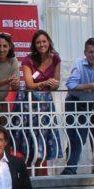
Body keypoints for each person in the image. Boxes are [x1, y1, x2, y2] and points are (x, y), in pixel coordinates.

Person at [64, 38, 94, 175]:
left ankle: (70, 166)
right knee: (74, 135)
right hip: (73, 102)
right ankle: (71, 167)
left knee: (81, 137)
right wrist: (88, 86)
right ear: (85, 52)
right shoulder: (79, 64)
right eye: (90, 52)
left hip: (88, 104)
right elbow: (71, 85)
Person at [17, 30, 62, 174]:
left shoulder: (55, 58)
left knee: (43, 135)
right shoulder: (28, 60)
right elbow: (29, 85)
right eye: (38, 42)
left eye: (44, 41)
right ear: (34, 45)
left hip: (45, 102)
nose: (42, 45)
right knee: (28, 137)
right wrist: (45, 83)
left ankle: (36, 172)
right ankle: (26, 174)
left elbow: (56, 83)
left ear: (49, 42)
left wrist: (53, 84)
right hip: (28, 101)